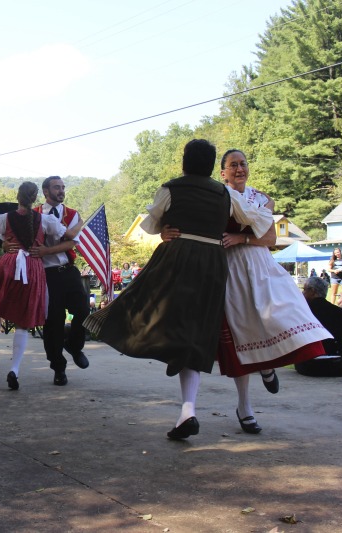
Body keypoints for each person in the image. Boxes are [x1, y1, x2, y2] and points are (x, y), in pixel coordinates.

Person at [84, 139, 272, 440]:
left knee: (146, 304)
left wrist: (165, 230)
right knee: (196, 334)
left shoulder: (171, 188)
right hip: (213, 264)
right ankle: (186, 410)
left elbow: (150, 224)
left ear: (185, 162)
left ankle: (114, 328)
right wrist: (263, 207)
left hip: (178, 258)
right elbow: (257, 218)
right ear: (213, 166)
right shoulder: (224, 193)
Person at [164, 149, 331, 433]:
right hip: (226, 269)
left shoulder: (262, 198)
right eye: (233, 165)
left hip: (258, 265)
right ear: (222, 172)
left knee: (278, 315)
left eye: (243, 164)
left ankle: (267, 366)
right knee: (240, 335)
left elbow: (270, 237)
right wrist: (165, 231)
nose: (239, 169)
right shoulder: (215, 195)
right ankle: (245, 406)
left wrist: (241, 237)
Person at [0, 182, 69, 390]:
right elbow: (65, 235)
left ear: (17, 197)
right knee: (23, 319)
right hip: (32, 268)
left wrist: (5, 245)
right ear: (35, 198)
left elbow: (3, 239)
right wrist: (79, 225)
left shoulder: (3, 218)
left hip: (9, 263)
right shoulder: (46, 220)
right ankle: (14, 369)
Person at [34, 176, 89, 386]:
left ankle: (75, 346)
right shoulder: (35, 214)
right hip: (46, 274)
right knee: (53, 322)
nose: (61, 190)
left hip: (68, 270)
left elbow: (71, 243)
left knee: (83, 309)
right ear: (46, 191)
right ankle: (58, 368)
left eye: (63, 187)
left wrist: (46, 250)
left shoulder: (72, 214)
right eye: (57, 187)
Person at [297, 276, 342, 377]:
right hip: (337, 367)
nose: (302, 293)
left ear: (313, 291)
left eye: (304, 290)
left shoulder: (301, 313)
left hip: (309, 368)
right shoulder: (341, 313)